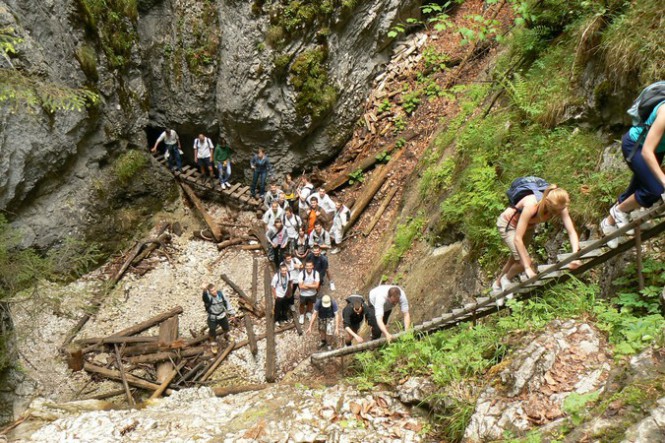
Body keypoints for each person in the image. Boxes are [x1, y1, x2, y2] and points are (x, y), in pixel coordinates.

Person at [493, 184, 581, 295]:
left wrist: (575, 256)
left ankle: (498, 284)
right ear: (548, 203)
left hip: (528, 227)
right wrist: (527, 268)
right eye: (556, 211)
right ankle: (505, 280)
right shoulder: (531, 205)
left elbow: (571, 231)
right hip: (508, 224)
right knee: (524, 262)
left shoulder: (560, 206)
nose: (559, 213)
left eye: (561, 209)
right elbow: (517, 239)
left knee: (515, 258)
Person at [601, 96, 665, 248]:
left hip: (657, 150)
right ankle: (619, 210)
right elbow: (647, 151)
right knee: (655, 189)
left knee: (637, 190)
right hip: (636, 146)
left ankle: (608, 223)